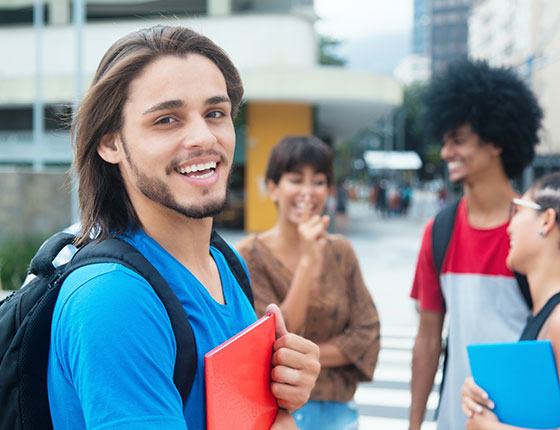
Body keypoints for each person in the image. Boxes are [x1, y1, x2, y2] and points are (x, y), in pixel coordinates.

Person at [47, 25, 320, 430]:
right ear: (111, 143)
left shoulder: (224, 263)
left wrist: (282, 388)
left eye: (215, 113)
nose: (202, 137)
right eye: (167, 119)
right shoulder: (113, 298)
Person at [408, 59, 543, 430]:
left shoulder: (536, 231)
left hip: (523, 421)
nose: (447, 152)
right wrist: (414, 424)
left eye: (459, 140)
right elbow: (427, 340)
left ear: (497, 140)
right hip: (455, 419)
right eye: (445, 140)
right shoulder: (439, 232)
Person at [236, 135, 380, 430]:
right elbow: (271, 340)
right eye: (296, 179)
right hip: (281, 413)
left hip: (340, 411)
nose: (308, 191)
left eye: (319, 181)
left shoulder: (341, 251)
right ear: (273, 188)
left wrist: (304, 359)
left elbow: (368, 335)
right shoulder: (249, 255)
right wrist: (308, 260)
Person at [461, 171, 560, 430]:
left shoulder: (559, 320)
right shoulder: (544, 314)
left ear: (546, 220)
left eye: (517, 210)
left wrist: (488, 427)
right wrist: (482, 400)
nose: (509, 225)